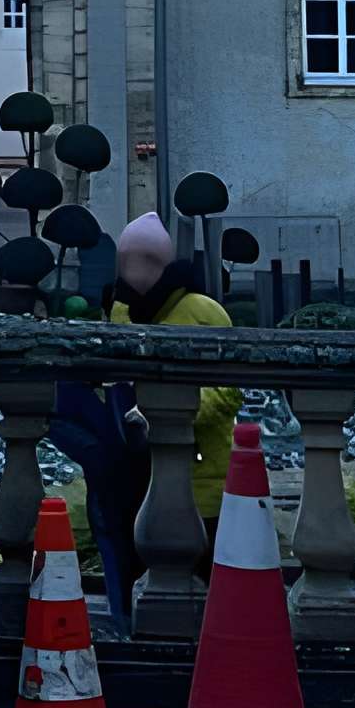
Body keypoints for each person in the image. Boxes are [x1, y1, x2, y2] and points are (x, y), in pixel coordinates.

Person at [106, 212, 240, 526]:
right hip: (136, 473)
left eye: (142, 260)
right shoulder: (122, 310)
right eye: (125, 260)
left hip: (202, 475)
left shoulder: (203, 312)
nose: (131, 270)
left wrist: (162, 411)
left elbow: (226, 392)